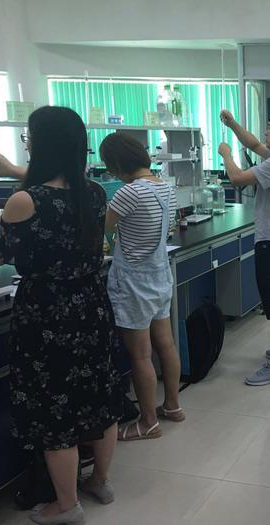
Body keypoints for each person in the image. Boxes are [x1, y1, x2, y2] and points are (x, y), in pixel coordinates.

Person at [0, 106, 123, 524]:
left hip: (47, 315)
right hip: (92, 306)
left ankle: (66, 506)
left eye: (29, 139)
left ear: (42, 144)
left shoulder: (25, 200)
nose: (27, 145)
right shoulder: (95, 192)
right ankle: (100, 481)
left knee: (55, 412)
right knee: (99, 398)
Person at [101, 132, 184, 441]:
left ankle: (148, 422)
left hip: (134, 281)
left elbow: (103, 226)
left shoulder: (130, 192)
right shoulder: (166, 187)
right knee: (166, 344)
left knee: (140, 354)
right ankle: (172, 405)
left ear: (116, 165)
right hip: (159, 274)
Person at [219, 110, 270, 386]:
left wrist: (226, 154)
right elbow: (254, 144)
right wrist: (233, 124)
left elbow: (236, 178)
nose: (266, 131)